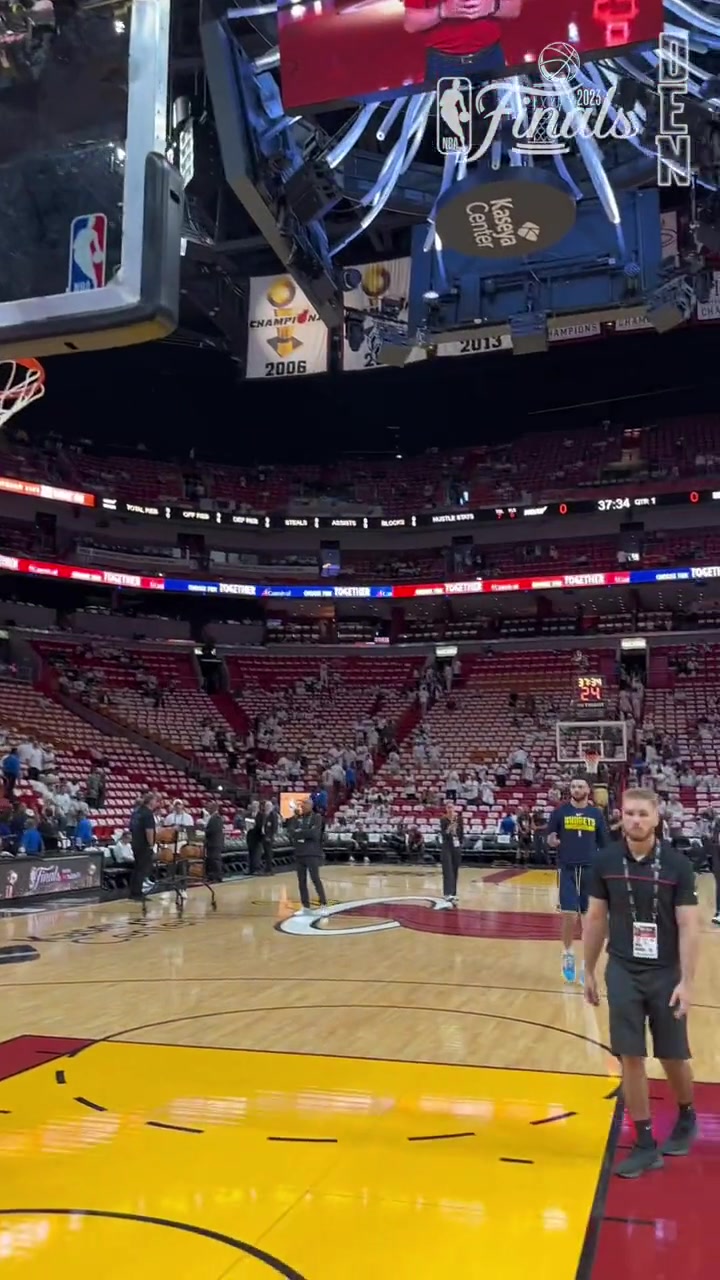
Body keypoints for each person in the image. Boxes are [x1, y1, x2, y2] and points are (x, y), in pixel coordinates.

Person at [584, 788, 699, 1178]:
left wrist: (687, 982)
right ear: (621, 817)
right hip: (622, 969)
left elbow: (689, 926)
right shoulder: (604, 861)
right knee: (629, 1054)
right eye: (629, 813)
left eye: (642, 814)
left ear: (656, 819)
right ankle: (645, 1143)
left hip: (666, 971)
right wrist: (588, 970)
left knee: (671, 1054)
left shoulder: (678, 865)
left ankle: (687, 1114)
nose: (635, 820)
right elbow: (595, 918)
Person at [547, 774, 608, 984]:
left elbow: (605, 844)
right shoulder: (560, 812)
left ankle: (587, 964)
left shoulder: (596, 814)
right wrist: (552, 840)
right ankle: (568, 953)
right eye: (573, 786)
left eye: (580, 786)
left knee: (588, 920)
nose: (576, 789)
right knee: (569, 915)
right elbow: (550, 836)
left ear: (588, 790)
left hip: (590, 870)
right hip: (567, 868)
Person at [403, 0, 522, 93]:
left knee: (496, 113)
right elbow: (411, 24)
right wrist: (443, 11)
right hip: (443, 65)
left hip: (491, 58)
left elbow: (514, 9)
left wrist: (492, 7)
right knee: (445, 115)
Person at [288, 798, 327, 916]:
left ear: (311, 805)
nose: (303, 806)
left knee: (315, 879)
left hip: (312, 853)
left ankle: (323, 904)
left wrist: (300, 833)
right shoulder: (297, 818)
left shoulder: (317, 817)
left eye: (305, 804)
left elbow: (314, 834)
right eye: (302, 805)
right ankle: (305, 906)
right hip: (299, 852)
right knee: (301, 881)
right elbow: (291, 832)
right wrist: (304, 833)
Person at [129, 790, 157, 901]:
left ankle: (133, 891)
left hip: (135, 843)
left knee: (137, 868)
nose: (156, 803)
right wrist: (151, 845)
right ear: (150, 802)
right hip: (144, 845)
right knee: (141, 869)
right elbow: (149, 831)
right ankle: (137, 893)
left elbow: (131, 827)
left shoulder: (136, 812)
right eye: (155, 801)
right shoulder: (148, 814)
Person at [439, 802, 464, 904]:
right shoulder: (443, 819)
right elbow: (443, 834)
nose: (450, 809)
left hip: (456, 845)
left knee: (455, 869)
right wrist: (449, 829)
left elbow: (461, 832)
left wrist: (460, 843)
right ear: (446, 809)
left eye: (451, 807)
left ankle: (453, 893)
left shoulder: (459, 819)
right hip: (447, 845)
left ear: (454, 808)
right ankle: (447, 893)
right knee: (447, 869)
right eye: (448, 807)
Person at [204, 802, 225, 882]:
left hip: (215, 842)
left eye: (209, 808)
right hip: (213, 842)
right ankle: (213, 876)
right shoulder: (214, 817)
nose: (208, 809)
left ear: (214, 808)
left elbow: (213, 830)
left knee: (215, 860)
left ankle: (217, 876)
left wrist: (204, 831)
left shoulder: (216, 818)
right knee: (212, 860)